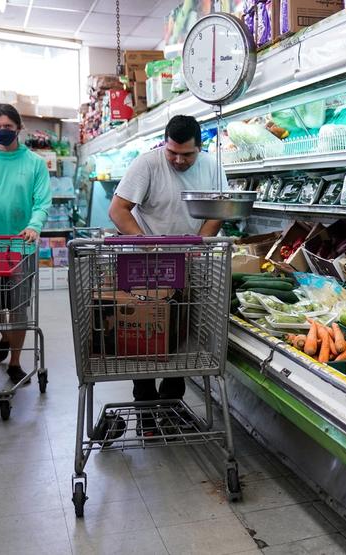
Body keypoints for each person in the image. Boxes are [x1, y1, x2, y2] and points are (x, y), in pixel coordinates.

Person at [109, 115, 223, 436]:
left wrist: (198, 246)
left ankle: (170, 406)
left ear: (199, 147)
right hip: (147, 267)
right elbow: (118, 210)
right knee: (145, 338)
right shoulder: (147, 164)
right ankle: (145, 410)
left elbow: (217, 212)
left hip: (189, 264)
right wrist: (149, 246)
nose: (178, 159)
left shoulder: (212, 167)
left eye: (186, 154)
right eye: (172, 151)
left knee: (181, 337)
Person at [0, 103, 51, 384]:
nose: (2, 132)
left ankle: (16, 364)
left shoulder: (34, 163)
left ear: (19, 128)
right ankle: (6, 337)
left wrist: (34, 226)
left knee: (19, 309)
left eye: (8, 127)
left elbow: (42, 201)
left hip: (21, 247)